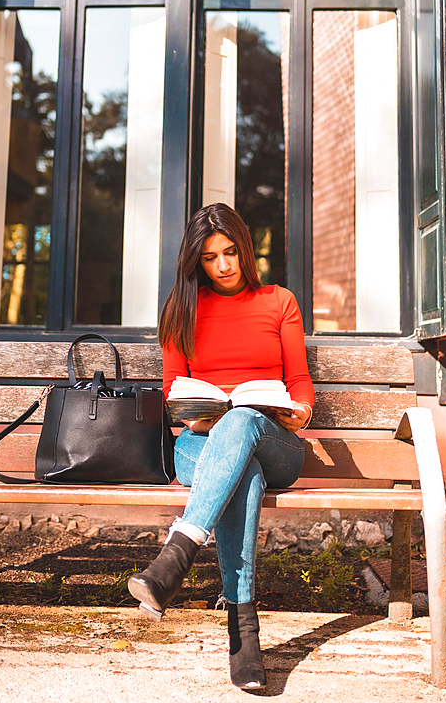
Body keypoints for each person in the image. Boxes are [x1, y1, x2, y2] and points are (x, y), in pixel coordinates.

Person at [128, 203, 314, 690]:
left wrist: (301, 410)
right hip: (201, 445)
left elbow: (298, 381)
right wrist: (197, 412)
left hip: (276, 444)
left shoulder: (279, 301)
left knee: (245, 420)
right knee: (240, 468)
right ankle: (244, 635)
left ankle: (181, 548)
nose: (224, 266)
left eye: (230, 252)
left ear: (245, 250)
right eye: (210, 258)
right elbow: (173, 395)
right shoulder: (181, 310)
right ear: (197, 262)